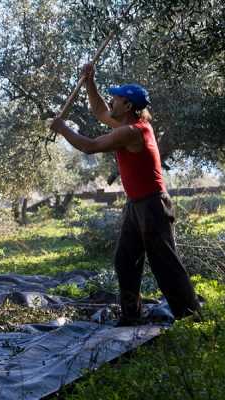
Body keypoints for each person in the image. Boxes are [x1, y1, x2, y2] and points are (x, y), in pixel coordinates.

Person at [49, 64, 200, 325]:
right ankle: (131, 316)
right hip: (137, 205)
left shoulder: (133, 132)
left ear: (128, 105)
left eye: (116, 98)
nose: (112, 100)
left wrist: (62, 127)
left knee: (166, 266)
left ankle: (191, 318)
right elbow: (99, 111)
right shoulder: (128, 124)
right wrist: (89, 83)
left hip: (153, 206)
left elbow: (90, 146)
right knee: (125, 260)